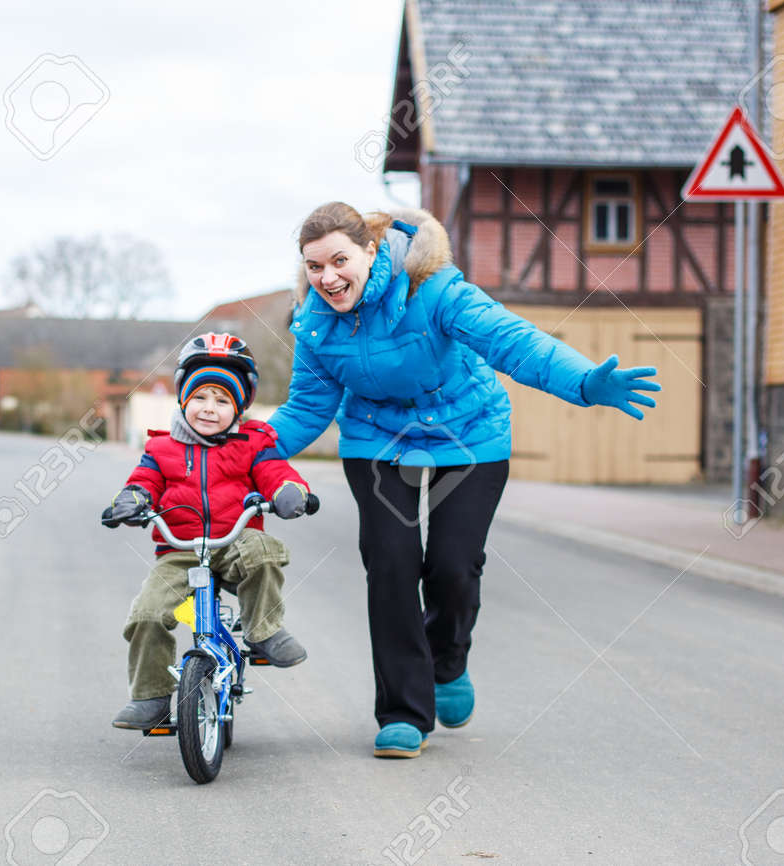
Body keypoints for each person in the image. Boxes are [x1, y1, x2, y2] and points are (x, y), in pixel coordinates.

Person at [268, 202, 661, 758]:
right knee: (391, 562)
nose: (327, 278)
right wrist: (239, 450)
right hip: (378, 439)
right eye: (314, 266)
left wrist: (582, 382)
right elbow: (307, 409)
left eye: (339, 261)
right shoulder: (315, 324)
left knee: (453, 564)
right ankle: (404, 713)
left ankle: (448, 662)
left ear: (371, 251)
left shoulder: (434, 289)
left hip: (468, 432)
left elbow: (513, 341)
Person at [103, 333, 314, 730]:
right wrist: (131, 500)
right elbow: (143, 481)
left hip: (235, 543)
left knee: (264, 551)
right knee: (147, 613)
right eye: (200, 397)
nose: (209, 408)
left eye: (222, 400)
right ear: (183, 398)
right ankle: (150, 697)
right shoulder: (161, 449)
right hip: (179, 550)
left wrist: (290, 492)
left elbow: (275, 472)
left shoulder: (254, 443)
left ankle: (263, 630)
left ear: (239, 407)